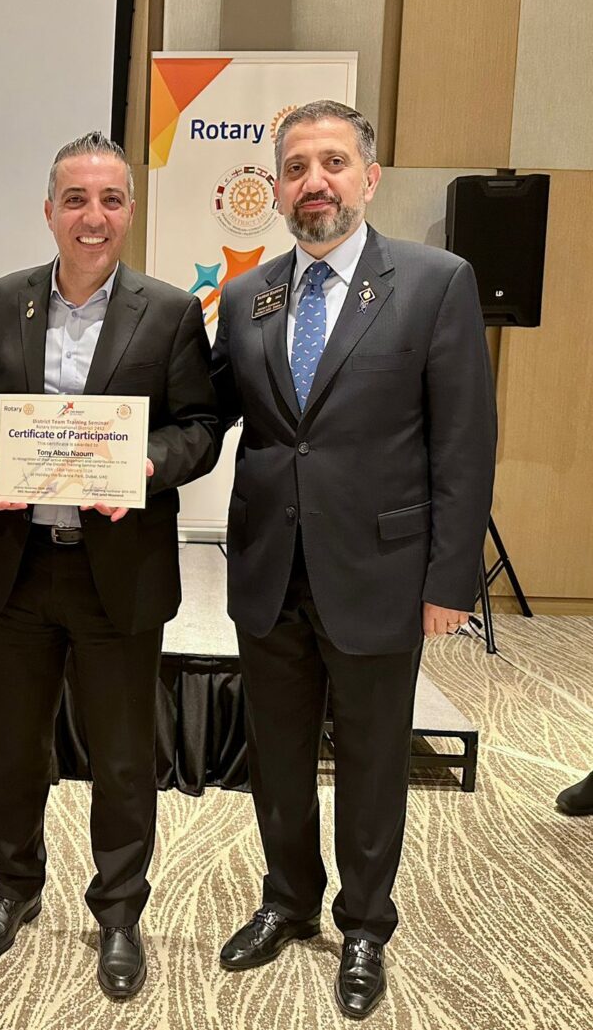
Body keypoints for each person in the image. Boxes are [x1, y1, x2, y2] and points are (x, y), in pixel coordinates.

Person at [209, 100, 496, 1019]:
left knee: (372, 758)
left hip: (381, 570)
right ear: (277, 188)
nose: (314, 182)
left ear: (369, 178)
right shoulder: (248, 296)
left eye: (332, 162)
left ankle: (366, 923)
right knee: (277, 753)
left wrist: (450, 579)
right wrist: (116, 451)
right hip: (269, 568)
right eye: (296, 167)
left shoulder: (434, 282)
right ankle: (289, 898)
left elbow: (464, 444)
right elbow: (206, 416)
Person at [0, 131, 220, 999]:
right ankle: (14, 886)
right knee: (14, 746)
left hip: (120, 572)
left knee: (124, 755)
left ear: (129, 211)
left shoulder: (170, 312)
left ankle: (119, 911)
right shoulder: (0, 302)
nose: (91, 216)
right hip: (21, 566)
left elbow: (200, 429)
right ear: (49, 210)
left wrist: (146, 467)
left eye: (108, 199)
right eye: (75, 199)